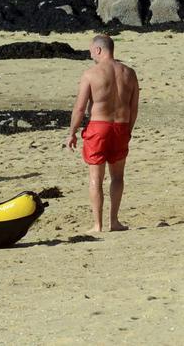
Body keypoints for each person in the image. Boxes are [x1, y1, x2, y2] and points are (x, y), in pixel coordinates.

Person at [65, 34, 139, 233]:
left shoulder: (91, 74)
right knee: (117, 177)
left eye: (91, 51)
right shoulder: (129, 73)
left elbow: (79, 109)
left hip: (99, 126)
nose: (91, 55)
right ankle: (114, 221)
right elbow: (134, 108)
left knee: (95, 178)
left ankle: (97, 224)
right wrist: (128, 131)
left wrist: (72, 132)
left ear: (98, 50)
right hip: (121, 127)